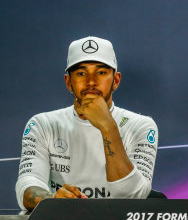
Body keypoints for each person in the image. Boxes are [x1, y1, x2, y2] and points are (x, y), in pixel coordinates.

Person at [15, 36, 159, 210]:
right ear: (68, 82)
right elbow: (27, 185)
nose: (91, 82)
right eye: (81, 73)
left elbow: (133, 196)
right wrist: (52, 200)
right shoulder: (43, 124)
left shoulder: (141, 126)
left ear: (116, 80)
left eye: (101, 72)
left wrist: (107, 125)